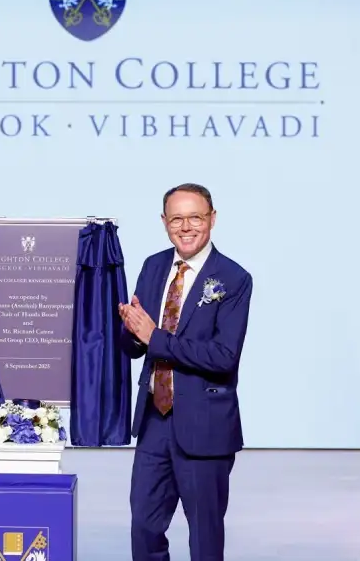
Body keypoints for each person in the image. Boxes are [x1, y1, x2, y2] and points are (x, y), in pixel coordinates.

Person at [118, 183, 253, 561]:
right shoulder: (153, 266)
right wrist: (130, 330)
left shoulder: (233, 278)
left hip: (205, 424)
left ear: (212, 218)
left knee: (204, 536)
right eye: (177, 218)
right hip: (154, 420)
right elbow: (137, 346)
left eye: (195, 217)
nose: (186, 226)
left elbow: (223, 356)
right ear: (164, 222)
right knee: (144, 526)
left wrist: (154, 336)